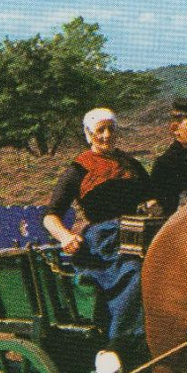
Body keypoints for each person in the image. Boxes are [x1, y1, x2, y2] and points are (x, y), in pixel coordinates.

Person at [43, 107, 159, 346]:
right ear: (88, 134)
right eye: (100, 130)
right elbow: (50, 215)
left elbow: (150, 197)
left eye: (111, 129)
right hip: (103, 242)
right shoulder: (78, 170)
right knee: (134, 274)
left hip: (138, 234)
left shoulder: (131, 165)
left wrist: (152, 205)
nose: (107, 136)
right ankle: (121, 341)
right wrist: (65, 236)